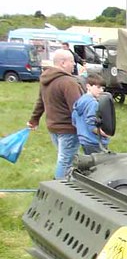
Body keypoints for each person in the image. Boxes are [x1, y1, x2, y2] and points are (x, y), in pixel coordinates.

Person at [27, 49, 84, 179]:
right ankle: (58, 186)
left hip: (53, 127)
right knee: (66, 161)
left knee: (65, 158)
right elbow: (77, 109)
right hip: (68, 129)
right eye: (72, 61)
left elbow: (40, 102)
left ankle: (69, 183)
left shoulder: (46, 79)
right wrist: (87, 128)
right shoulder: (68, 82)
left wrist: (34, 120)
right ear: (63, 63)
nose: (74, 64)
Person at [71, 74, 110, 154]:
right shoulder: (93, 103)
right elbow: (91, 124)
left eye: (103, 88)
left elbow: (74, 120)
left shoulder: (80, 101)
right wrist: (104, 134)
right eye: (98, 87)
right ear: (88, 86)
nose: (101, 91)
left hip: (84, 140)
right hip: (95, 141)